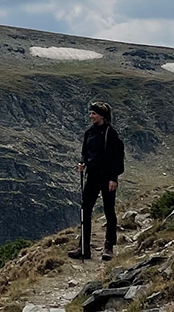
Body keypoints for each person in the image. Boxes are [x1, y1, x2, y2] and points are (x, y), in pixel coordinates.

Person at [68, 102, 125, 261]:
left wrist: (114, 178)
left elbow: (116, 157)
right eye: (90, 113)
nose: (91, 116)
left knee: (109, 210)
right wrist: (82, 162)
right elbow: (85, 152)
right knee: (85, 209)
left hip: (107, 178)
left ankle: (109, 246)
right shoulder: (89, 133)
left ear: (102, 115)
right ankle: (83, 247)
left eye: (94, 114)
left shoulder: (110, 133)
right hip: (92, 175)